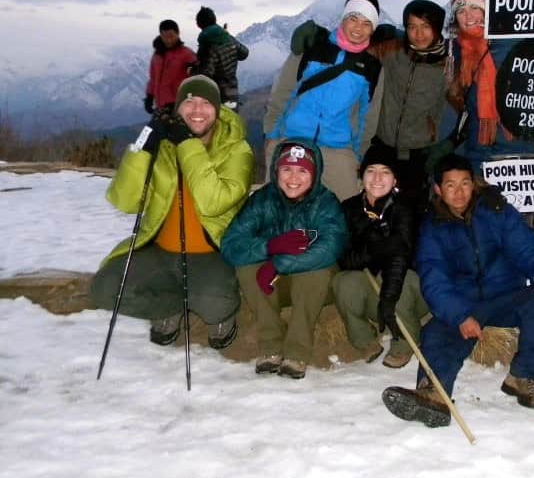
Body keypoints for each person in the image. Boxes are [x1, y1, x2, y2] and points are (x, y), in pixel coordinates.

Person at [381, 154, 534, 428]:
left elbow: (527, 248)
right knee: (436, 332)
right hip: (465, 304)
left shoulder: (496, 211)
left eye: (465, 183)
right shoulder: (433, 228)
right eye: (451, 185)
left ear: (474, 184)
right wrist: (459, 315)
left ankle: (522, 377)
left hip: (505, 296)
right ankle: (434, 394)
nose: (459, 192)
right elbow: (434, 280)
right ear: (439, 190)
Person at [91, 75, 255, 350]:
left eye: (206, 103)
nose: (197, 110)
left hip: (212, 252)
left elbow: (212, 202)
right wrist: (143, 148)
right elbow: (125, 201)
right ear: (178, 108)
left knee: (216, 305)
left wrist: (186, 144)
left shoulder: (237, 150)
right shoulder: (163, 147)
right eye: (189, 102)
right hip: (159, 250)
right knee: (105, 290)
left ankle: (214, 310)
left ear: (218, 109)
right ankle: (170, 305)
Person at [221, 140, 346, 379]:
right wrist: (270, 246)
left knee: (316, 271)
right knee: (246, 269)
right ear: (276, 171)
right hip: (275, 286)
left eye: (302, 170)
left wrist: (278, 262)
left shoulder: (325, 202)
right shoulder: (262, 200)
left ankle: (297, 351)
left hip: (316, 288)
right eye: (287, 169)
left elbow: (330, 247)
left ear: (315, 174)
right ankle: (270, 344)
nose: (293, 177)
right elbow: (231, 243)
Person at [264, 0, 383, 201]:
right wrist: (272, 137)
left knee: (347, 209)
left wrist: (357, 154)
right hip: (291, 138)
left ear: (373, 29)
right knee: (276, 208)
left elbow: (368, 117)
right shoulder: (311, 48)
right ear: (343, 19)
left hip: (336, 149)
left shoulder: (372, 69)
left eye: (367, 23)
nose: (358, 28)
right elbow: (282, 92)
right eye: (353, 19)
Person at [332, 143, 429, 369]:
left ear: (395, 180)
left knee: (399, 280)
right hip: (370, 287)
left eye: (385, 172)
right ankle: (365, 339)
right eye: (370, 170)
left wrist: (387, 299)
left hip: (406, 290)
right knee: (342, 282)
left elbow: (401, 256)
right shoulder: (349, 208)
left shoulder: (405, 208)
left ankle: (406, 339)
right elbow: (344, 258)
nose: (377, 178)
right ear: (362, 176)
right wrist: (373, 247)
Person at [441, 0, 532, 171]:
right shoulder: (454, 53)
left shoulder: (511, 43)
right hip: (478, 150)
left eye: (475, 8)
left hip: (519, 150)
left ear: (486, 10)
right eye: (461, 11)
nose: (469, 17)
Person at [369, 0, 449, 213]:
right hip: (382, 146)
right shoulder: (392, 49)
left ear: (437, 28)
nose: (419, 34)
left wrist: (448, 143)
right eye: (412, 26)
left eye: (425, 26)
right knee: (375, 208)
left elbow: (463, 105)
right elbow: (354, 46)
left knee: (412, 211)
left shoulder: (448, 64)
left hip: (418, 154)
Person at [194, 6, 250, 110]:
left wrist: (192, 70)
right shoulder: (228, 38)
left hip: (216, 96)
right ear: (214, 20)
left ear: (198, 24)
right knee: (232, 124)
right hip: (233, 93)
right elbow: (244, 53)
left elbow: (206, 74)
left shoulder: (208, 45)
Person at [144, 19, 197, 115]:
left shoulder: (186, 54)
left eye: (171, 36)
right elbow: (153, 79)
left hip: (179, 106)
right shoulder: (157, 55)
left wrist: (193, 65)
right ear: (160, 36)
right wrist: (149, 96)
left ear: (178, 34)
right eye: (165, 37)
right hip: (160, 106)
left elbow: (197, 74)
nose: (168, 40)